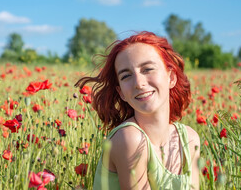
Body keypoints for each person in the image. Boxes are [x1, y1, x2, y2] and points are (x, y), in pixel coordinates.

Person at [76, 31, 200, 190]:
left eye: (147, 69)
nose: (139, 83)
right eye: (126, 76)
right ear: (121, 93)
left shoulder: (189, 139)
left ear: (171, 78)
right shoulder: (129, 139)